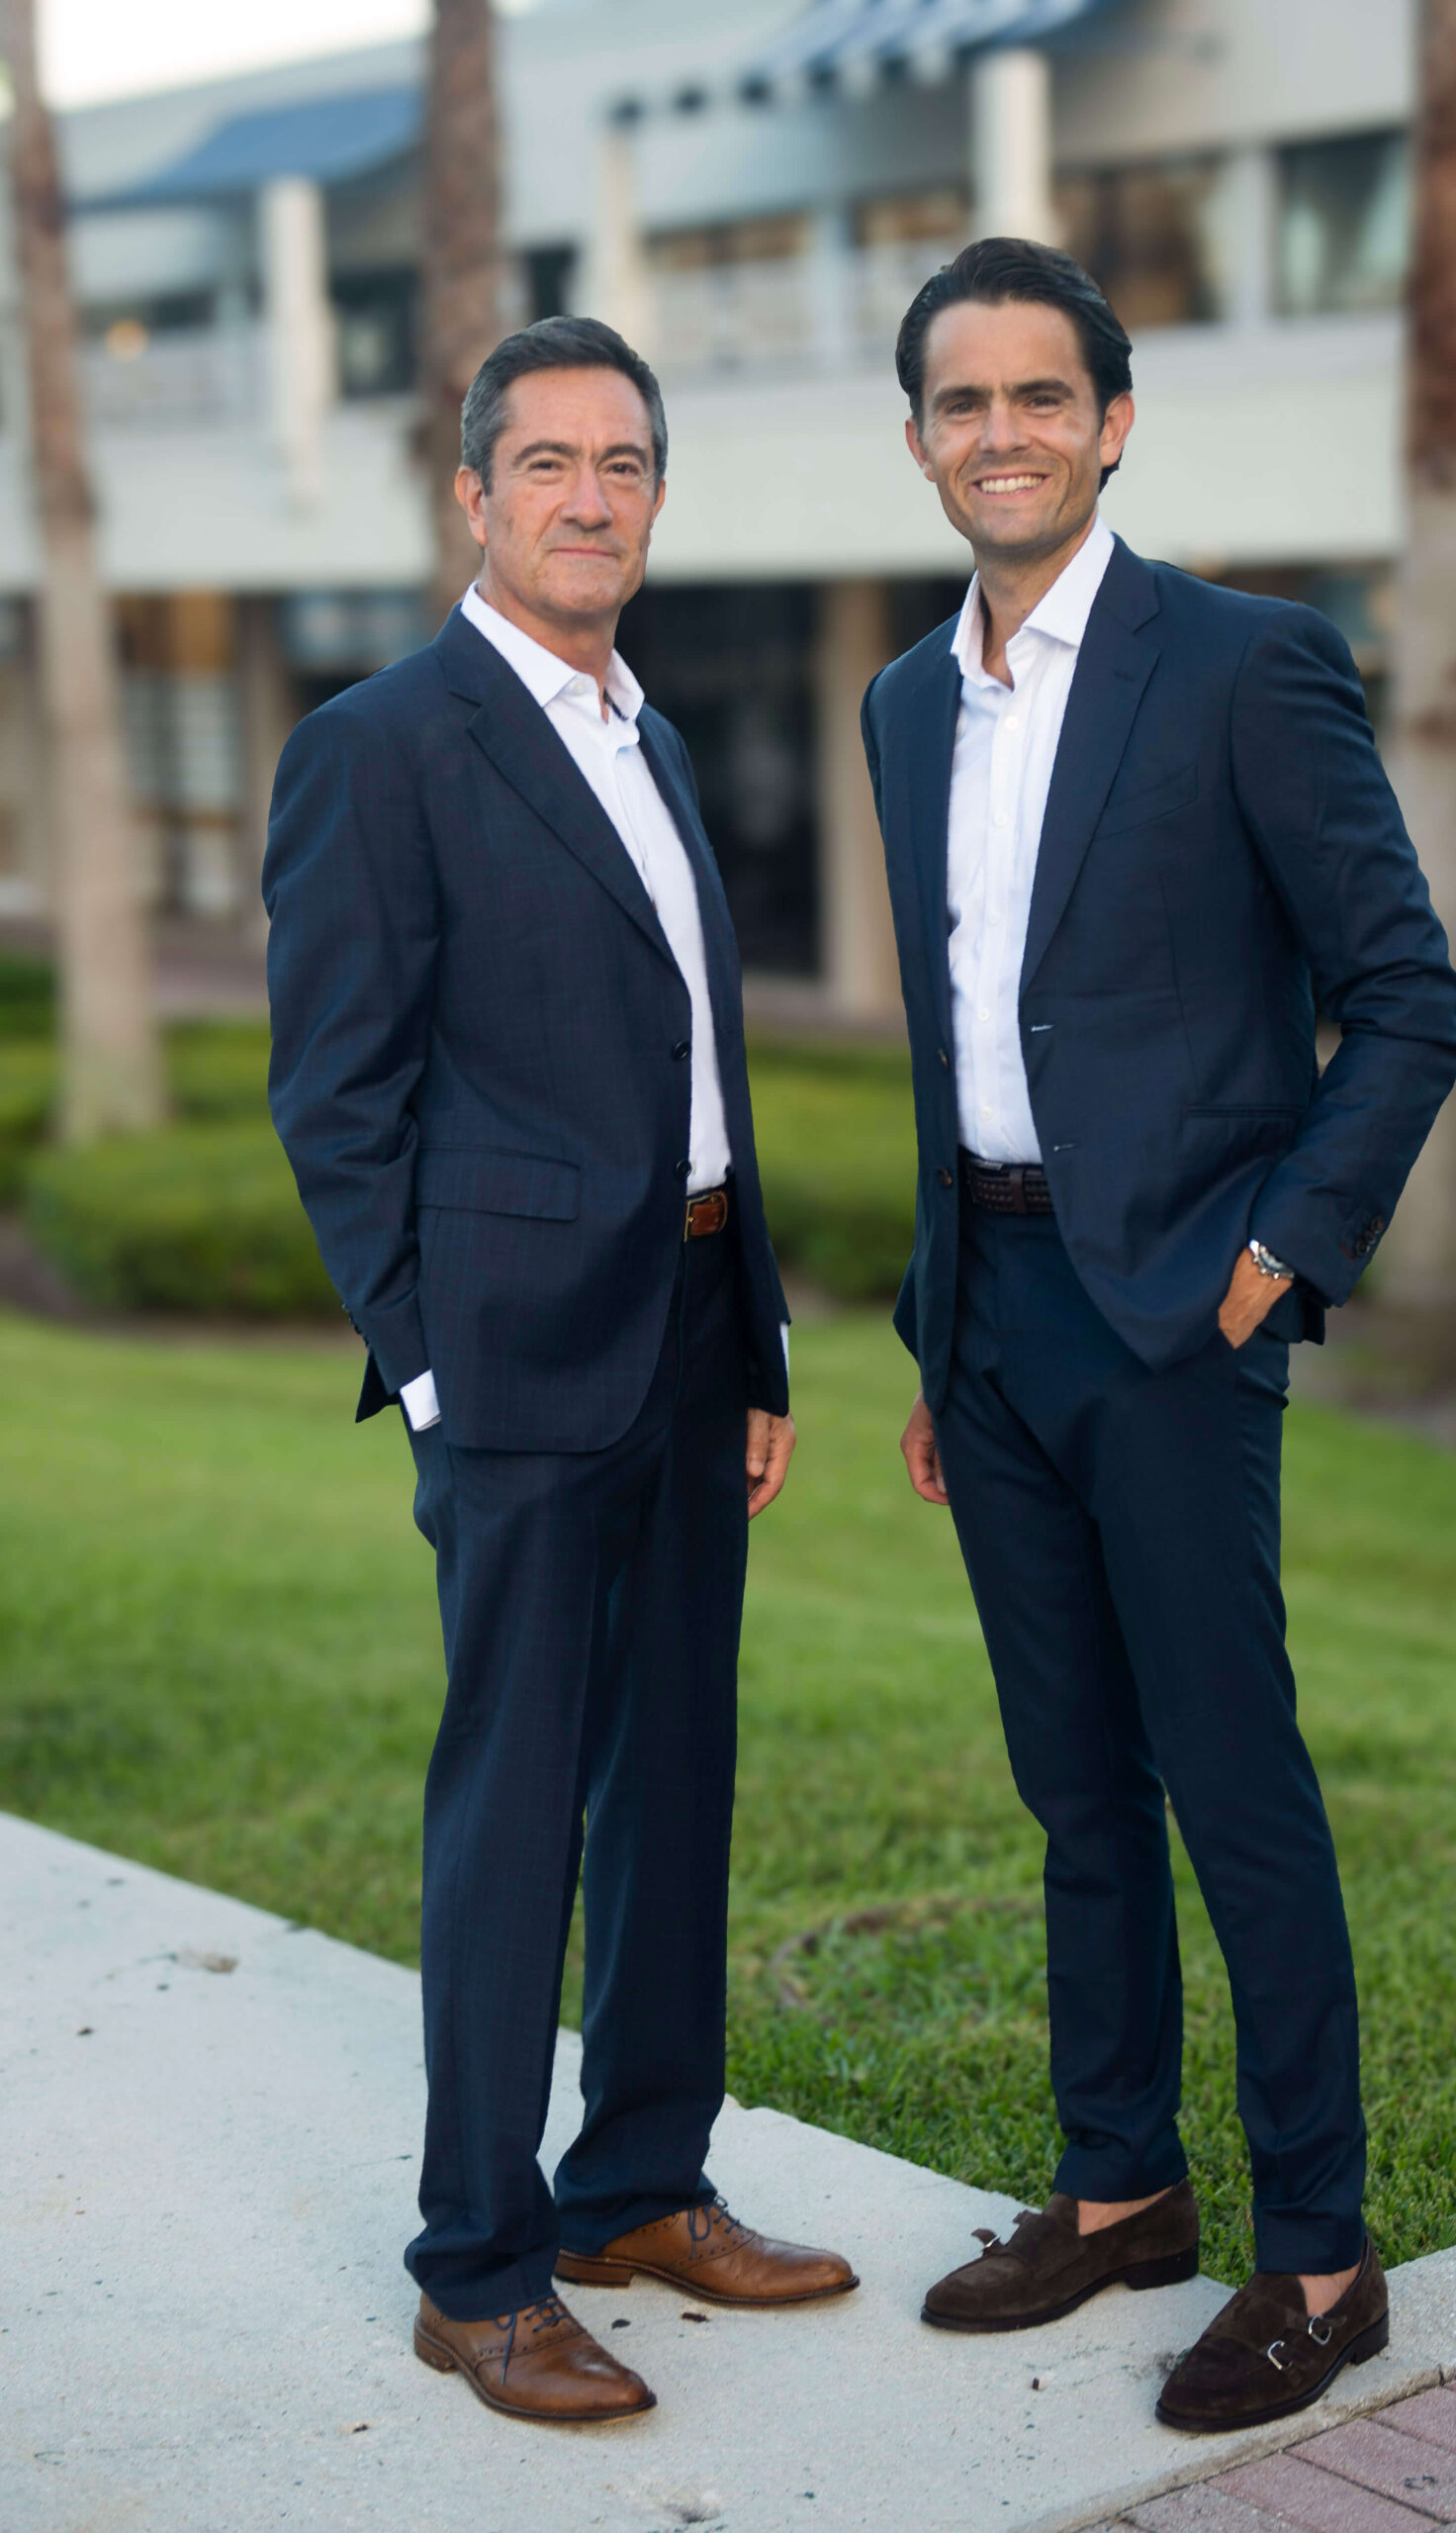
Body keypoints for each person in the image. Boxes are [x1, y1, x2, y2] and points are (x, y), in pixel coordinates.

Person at [861, 239, 1456, 2433]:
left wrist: (1265, 1258)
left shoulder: (1239, 662)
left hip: (1173, 1306)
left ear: (1112, 422)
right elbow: (955, 1035)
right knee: (1069, 1784)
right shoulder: (902, 700)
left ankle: (1320, 2250)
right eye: (960, 400)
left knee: (1230, 1780)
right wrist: (942, 1334)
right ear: (919, 435)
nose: (1000, 432)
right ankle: (1120, 2186)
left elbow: (1403, 995)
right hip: (994, 1310)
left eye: (1042, 395)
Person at [264, 316, 856, 2429]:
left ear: (656, 498)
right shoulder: (383, 743)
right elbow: (336, 1102)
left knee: (672, 1777)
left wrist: (762, 1323)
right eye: (550, 463)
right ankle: (477, 2261)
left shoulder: (650, 734)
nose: (590, 496)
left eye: (625, 463)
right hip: (512, 1367)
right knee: (514, 1808)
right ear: (474, 494)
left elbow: (703, 1063)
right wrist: (426, 1371)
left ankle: (634, 2183)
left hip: (694, 1334)